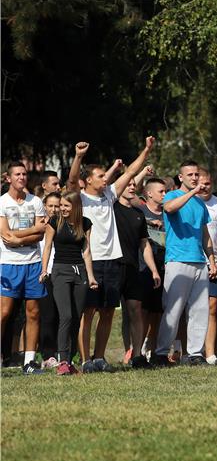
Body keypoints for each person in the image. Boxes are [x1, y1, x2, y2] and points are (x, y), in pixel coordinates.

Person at [66, 138, 155, 372]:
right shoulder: (80, 198)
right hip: (90, 262)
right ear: (88, 181)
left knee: (107, 312)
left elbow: (132, 171)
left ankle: (99, 357)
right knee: (88, 312)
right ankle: (85, 360)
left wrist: (146, 150)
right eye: (101, 176)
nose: (106, 179)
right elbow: (72, 180)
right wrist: (78, 156)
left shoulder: (109, 194)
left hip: (113, 260)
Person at [151, 160, 217, 366]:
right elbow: (169, 208)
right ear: (181, 177)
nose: (194, 178)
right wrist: (193, 192)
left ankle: (195, 353)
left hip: (199, 261)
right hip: (177, 260)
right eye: (190, 175)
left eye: (196, 174)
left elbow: (205, 233)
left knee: (199, 310)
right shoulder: (172, 195)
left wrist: (212, 259)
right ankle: (162, 352)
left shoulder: (200, 203)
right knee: (174, 308)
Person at [39, 190, 98, 374]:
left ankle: (70, 361)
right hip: (60, 271)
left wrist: (91, 277)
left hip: (79, 272)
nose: (61, 209)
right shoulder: (55, 222)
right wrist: (44, 270)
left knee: (76, 317)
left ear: (76, 207)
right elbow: (47, 246)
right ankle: (62, 360)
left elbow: (86, 251)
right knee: (66, 316)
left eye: (65, 206)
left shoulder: (86, 223)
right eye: (61, 205)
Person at [0, 161, 48, 374]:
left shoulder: (35, 201)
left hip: (33, 263)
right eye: (17, 174)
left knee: (34, 313)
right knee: (3, 313)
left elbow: (41, 233)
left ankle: (29, 362)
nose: (22, 177)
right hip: (9, 264)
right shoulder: (2, 203)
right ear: (8, 178)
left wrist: (16, 237)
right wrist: (28, 233)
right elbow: (4, 233)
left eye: (24, 174)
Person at [114, 171, 162, 369]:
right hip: (113, 266)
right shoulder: (111, 208)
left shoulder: (138, 213)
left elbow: (145, 245)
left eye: (134, 185)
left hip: (134, 268)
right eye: (128, 184)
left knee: (136, 311)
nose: (132, 187)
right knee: (105, 312)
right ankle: (93, 358)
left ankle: (137, 355)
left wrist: (153, 270)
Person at [198, 168, 217, 364]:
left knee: (213, 307)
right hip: (193, 260)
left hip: (216, 262)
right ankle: (190, 351)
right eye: (201, 184)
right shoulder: (189, 203)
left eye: (207, 184)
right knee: (192, 309)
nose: (204, 187)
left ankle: (211, 353)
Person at [138, 177, 167, 357]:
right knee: (143, 311)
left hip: (165, 266)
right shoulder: (139, 211)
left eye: (165, 191)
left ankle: (154, 350)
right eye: (161, 191)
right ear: (149, 193)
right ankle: (137, 350)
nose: (165, 194)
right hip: (144, 268)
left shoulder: (169, 213)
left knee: (158, 311)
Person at [37, 191, 61, 366]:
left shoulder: (64, 225)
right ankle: (47, 355)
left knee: (63, 315)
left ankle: (63, 353)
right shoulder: (38, 225)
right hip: (44, 274)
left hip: (61, 272)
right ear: (44, 206)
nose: (53, 209)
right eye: (50, 206)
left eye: (57, 206)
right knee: (47, 315)